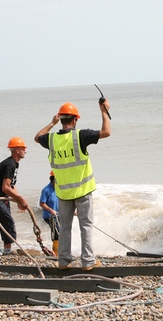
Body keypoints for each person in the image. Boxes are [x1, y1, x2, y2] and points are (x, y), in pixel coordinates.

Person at [34, 100, 111, 270]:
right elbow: (106, 132)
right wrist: (104, 111)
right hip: (82, 191)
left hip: (63, 193)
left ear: (61, 119)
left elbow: (37, 137)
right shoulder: (80, 136)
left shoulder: (51, 139)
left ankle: (63, 261)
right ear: (75, 119)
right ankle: (88, 261)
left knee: (65, 227)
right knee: (86, 226)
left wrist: (52, 123)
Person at [0, 137, 29, 256]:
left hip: (2, 197)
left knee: (7, 222)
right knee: (7, 222)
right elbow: (5, 187)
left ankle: (7, 250)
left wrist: (18, 199)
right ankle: (7, 251)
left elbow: (11, 185)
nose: (25, 151)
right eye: (23, 148)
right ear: (17, 150)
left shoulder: (14, 164)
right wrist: (20, 199)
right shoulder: (10, 165)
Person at [39, 171, 60, 255]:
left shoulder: (60, 189)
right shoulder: (46, 190)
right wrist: (51, 210)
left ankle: (62, 252)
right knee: (57, 233)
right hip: (49, 216)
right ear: (53, 179)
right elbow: (42, 203)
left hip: (59, 215)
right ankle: (56, 254)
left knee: (63, 232)